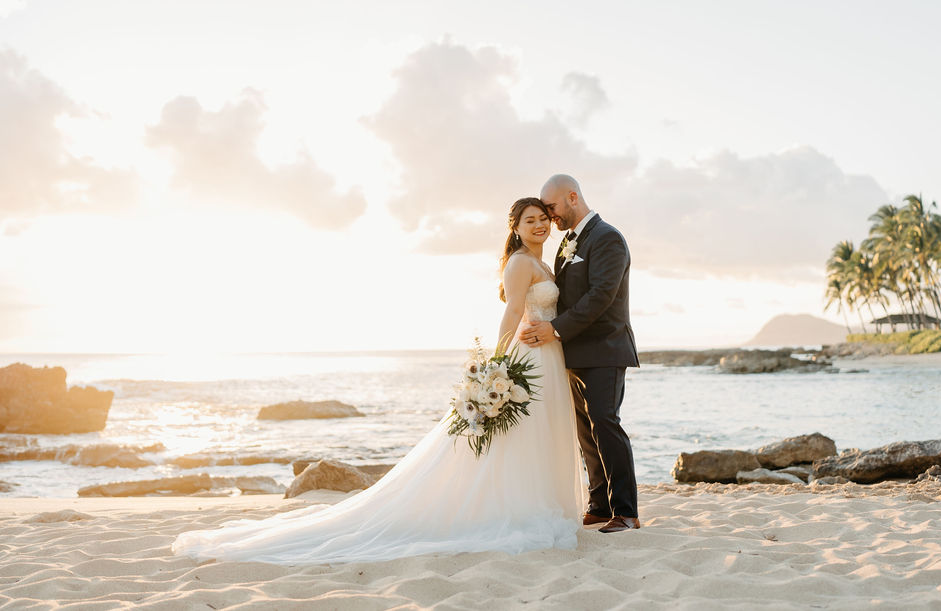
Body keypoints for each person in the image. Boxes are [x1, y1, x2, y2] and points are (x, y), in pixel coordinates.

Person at [171, 197, 585, 564]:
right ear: (515, 227)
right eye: (529, 219)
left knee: (538, 434)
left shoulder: (543, 262)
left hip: (546, 354)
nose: (539, 225)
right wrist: (498, 364)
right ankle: (512, 508)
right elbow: (513, 312)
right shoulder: (519, 263)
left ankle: (537, 502)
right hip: (526, 356)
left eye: (543, 219)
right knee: (519, 437)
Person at [520, 174, 640, 533]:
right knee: (586, 431)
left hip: (605, 347)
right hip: (572, 352)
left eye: (552, 208)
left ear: (572, 197)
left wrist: (554, 329)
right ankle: (600, 505)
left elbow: (601, 296)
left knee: (606, 424)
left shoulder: (607, 238)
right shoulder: (568, 243)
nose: (549, 216)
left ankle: (627, 512)